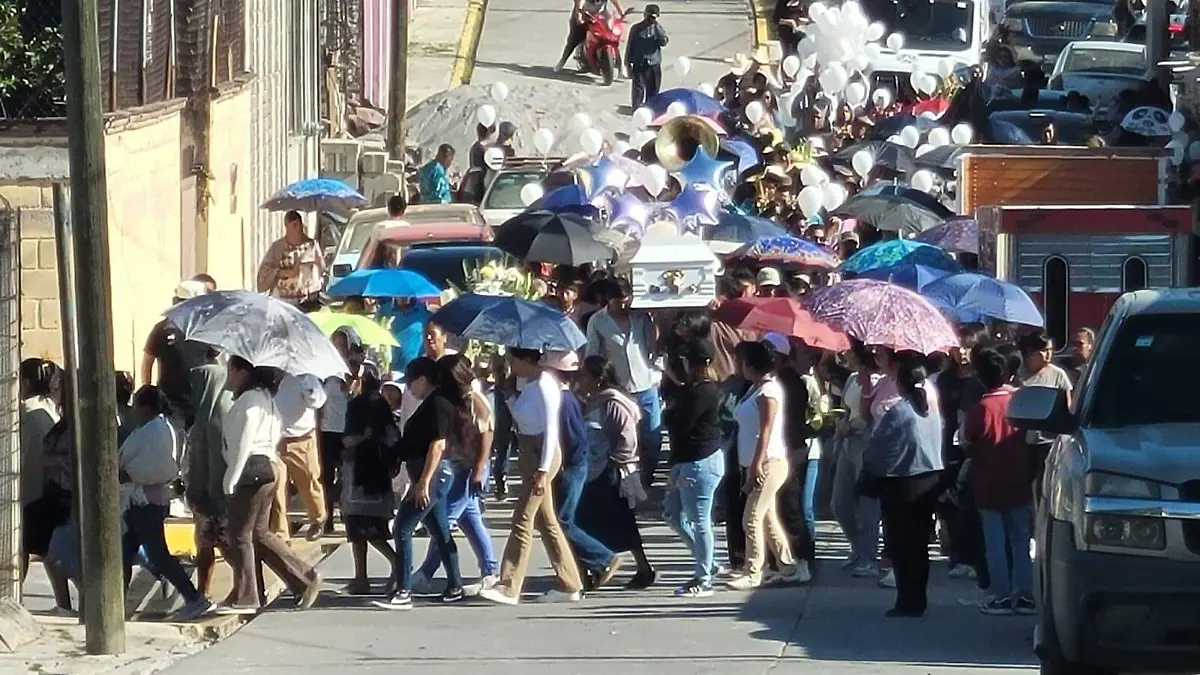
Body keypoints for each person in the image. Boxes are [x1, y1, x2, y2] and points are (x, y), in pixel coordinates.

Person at [478, 349, 585, 605]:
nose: (512, 366)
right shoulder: (527, 384)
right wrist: (504, 388)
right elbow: (522, 416)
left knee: (522, 519)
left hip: (543, 454)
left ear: (527, 360)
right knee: (547, 522)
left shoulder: (546, 383)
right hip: (528, 450)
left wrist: (543, 471)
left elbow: (551, 430)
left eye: (514, 361)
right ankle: (570, 582)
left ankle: (509, 585)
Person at [220, 357, 323, 615]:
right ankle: (304, 578)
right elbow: (277, 428)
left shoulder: (250, 400)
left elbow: (244, 438)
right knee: (260, 533)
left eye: (231, 370)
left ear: (243, 373)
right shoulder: (265, 397)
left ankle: (247, 596)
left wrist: (232, 475)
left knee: (239, 535)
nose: (228, 375)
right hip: (265, 466)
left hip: (250, 469)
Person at [375, 358, 467, 609]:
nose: (408, 388)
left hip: (433, 474)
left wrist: (423, 482)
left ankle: (403, 590)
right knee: (440, 531)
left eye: (411, 382)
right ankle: (455, 584)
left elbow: (437, 444)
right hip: (430, 474)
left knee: (402, 528)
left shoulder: (438, 404)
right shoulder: (433, 402)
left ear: (423, 380)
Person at [118, 386, 214, 620]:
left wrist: (130, 474)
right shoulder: (162, 429)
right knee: (122, 554)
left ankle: (193, 597)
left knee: (158, 554)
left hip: (146, 502)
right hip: (138, 502)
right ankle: (116, 605)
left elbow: (158, 467)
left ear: (145, 407)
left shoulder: (155, 431)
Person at [860, 353, 944, 618]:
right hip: (929, 477)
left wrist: (869, 467)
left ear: (901, 383)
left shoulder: (900, 411)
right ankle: (917, 597)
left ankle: (907, 600)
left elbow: (879, 448)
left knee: (901, 543)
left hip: (903, 481)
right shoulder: (928, 410)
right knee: (919, 544)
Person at [411, 354, 499, 596]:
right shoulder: (457, 400)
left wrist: (479, 469)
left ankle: (426, 573)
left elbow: (487, 435)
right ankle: (491, 571)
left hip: (472, 467)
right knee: (469, 520)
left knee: (445, 520)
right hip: (459, 465)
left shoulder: (475, 400)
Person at [727, 340, 807, 590]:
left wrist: (756, 464)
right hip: (756, 461)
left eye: (741, 361)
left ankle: (753, 571)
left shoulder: (769, 391)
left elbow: (766, 431)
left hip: (769, 461)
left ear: (751, 364)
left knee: (751, 517)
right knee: (768, 517)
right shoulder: (754, 389)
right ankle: (788, 566)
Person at [964, 348, 1034, 616]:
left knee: (994, 541)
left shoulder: (980, 408)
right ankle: (1026, 595)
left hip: (988, 482)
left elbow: (968, 442)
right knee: (1020, 540)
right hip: (1018, 479)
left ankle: (1001, 595)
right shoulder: (1019, 402)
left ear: (981, 377)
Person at [576, 355, 656, 589]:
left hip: (610, 471)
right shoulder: (592, 401)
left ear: (598, 378)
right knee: (589, 521)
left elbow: (626, 438)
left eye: (584, 375)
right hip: (593, 469)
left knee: (619, 522)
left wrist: (614, 461)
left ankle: (641, 568)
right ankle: (593, 568)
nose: (579, 379)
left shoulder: (614, 402)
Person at [550, 351, 622, 590]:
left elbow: (573, 439)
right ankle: (583, 569)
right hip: (573, 464)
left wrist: (562, 463)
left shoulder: (565, 399)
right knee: (564, 520)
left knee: (563, 520)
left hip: (573, 465)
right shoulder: (568, 398)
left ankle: (604, 558)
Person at [663, 338, 726, 597]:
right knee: (672, 514)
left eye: (688, 359)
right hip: (685, 461)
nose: (684, 363)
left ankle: (704, 578)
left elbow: (681, 421)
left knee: (700, 521)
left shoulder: (705, 391)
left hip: (700, 462)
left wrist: (672, 412)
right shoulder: (691, 388)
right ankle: (708, 562)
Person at [585, 277, 662, 488]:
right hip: (620, 390)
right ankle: (628, 480)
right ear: (608, 300)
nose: (623, 305)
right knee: (626, 440)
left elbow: (653, 347)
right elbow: (593, 354)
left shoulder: (641, 318)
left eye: (626, 300)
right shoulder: (598, 321)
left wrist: (655, 324)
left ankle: (647, 477)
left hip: (647, 385)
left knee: (653, 437)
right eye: (618, 301)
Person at [340, 368, 398, 595]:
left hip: (361, 473)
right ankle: (360, 577)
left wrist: (357, 442)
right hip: (377, 473)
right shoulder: (379, 403)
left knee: (366, 527)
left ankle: (397, 561)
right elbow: (392, 437)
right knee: (360, 527)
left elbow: (349, 438)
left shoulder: (359, 405)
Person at [830, 341, 882, 577]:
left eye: (848, 350)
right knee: (839, 503)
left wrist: (852, 425)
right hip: (846, 442)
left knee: (868, 505)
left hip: (866, 442)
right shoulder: (851, 378)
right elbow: (847, 409)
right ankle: (857, 546)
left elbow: (870, 416)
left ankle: (869, 555)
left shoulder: (877, 380)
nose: (844, 354)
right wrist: (842, 424)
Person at [19, 358, 68, 607]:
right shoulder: (48, 409)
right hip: (47, 490)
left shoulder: (25, 414)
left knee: (23, 549)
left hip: (29, 493)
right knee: (49, 554)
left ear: (25, 382)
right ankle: (63, 603)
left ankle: (12, 598)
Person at [186, 348, 233, 601]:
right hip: (206, 493)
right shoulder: (203, 418)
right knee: (206, 544)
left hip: (220, 493)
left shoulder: (221, 415)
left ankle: (245, 587)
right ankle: (202, 593)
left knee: (225, 544)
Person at [140, 280, 211, 425]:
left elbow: (216, 357)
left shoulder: (207, 329)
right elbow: (147, 362)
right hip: (171, 404)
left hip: (200, 403)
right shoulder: (162, 329)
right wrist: (148, 393)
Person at [272, 374, 329, 541]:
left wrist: (308, 388)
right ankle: (281, 535)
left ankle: (318, 518)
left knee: (308, 481)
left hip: (301, 438)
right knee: (276, 488)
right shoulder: (268, 375)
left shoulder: (306, 377)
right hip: (275, 440)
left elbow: (318, 401)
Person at [257, 211, 325, 306]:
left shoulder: (312, 246)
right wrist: (282, 273)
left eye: (299, 224)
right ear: (287, 227)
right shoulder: (277, 247)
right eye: (294, 225)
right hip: (282, 300)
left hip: (305, 300)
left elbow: (321, 269)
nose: (298, 229)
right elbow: (263, 273)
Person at [556, 0, 628, 72]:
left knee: (611, 38)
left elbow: (616, 2)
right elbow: (580, 2)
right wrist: (579, 13)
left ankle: (621, 70)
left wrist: (622, 13)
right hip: (584, 15)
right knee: (574, 38)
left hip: (600, 16)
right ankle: (562, 61)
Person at [626, 5, 669, 109]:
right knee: (638, 90)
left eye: (653, 17)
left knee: (653, 91)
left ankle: (650, 109)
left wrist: (657, 29)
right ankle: (636, 109)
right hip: (639, 63)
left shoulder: (658, 29)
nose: (650, 20)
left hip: (653, 64)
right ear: (644, 15)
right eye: (649, 17)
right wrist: (627, 64)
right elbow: (629, 46)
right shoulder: (636, 29)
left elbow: (664, 42)